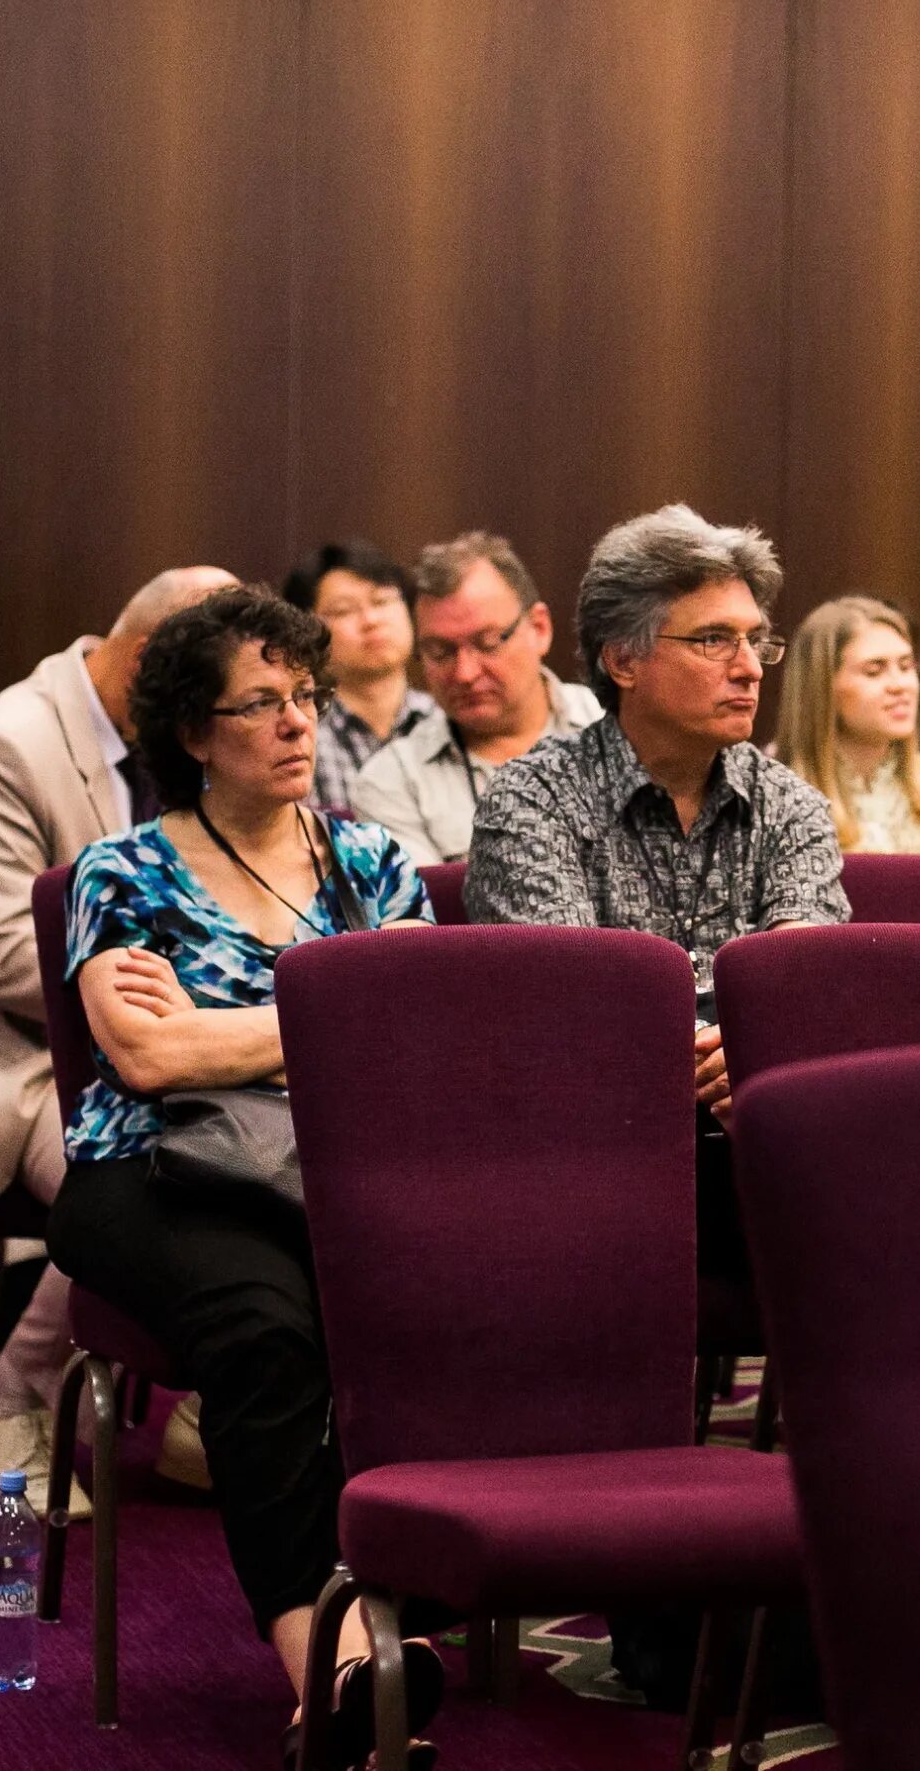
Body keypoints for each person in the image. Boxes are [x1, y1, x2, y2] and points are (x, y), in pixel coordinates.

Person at [42, 585, 435, 1761]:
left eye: (305, 697)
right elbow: (149, 1057)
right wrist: (334, 1009)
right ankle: (332, 1663)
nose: (295, 723)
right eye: (258, 704)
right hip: (155, 1175)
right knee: (269, 1329)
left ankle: (410, 1609)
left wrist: (243, 1026)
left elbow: (427, 1034)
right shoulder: (119, 874)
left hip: (337, 1169)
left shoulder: (368, 859)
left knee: (432, 1303)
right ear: (193, 735)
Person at [0, 564, 236, 1512]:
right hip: (16, 1061)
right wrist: (188, 1005)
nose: (222, 720)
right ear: (145, 663)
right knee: (150, 1164)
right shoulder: (5, 742)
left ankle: (210, 1408)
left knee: (289, 1149)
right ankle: (16, 1390)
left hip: (183, 1053)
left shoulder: (211, 738)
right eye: (205, 695)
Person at [466, 504, 849, 1275]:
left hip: (760, 1138)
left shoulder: (792, 804)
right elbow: (571, 1010)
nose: (748, 668)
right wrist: (732, 1044)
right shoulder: (532, 800)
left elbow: (807, 987)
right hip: (595, 1150)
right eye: (713, 640)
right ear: (622, 660)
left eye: (754, 640)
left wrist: (758, 1048)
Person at [348, 530, 602, 865]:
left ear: (539, 629)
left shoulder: (617, 727)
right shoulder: (390, 782)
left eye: (487, 643)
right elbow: (428, 913)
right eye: (440, 652)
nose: (465, 673)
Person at [769, 595, 920, 859]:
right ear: (823, 687)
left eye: (906, 666)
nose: (900, 685)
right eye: (874, 671)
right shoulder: (773, 796)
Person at [283, 540, 440, 819]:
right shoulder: (298, 732)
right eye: (344, 610)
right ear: (307, 629)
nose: (370, 620)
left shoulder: (447, 722)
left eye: (382, 601)